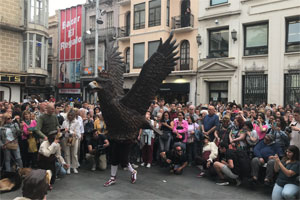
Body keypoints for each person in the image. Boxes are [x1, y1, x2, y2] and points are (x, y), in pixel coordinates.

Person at [61, 109, 81, 174]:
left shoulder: (77, 122)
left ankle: (74, 167)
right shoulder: (65, 122)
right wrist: (64, 130)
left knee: (74, 154)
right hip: (66, 139)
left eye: (71, 115)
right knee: (67, 154)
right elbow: (62, 130)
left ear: (74, 116)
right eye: (69, 115)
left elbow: (78, 133)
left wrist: (69, 131)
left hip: (74, 139)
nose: (69, 116)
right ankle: (68, 167)